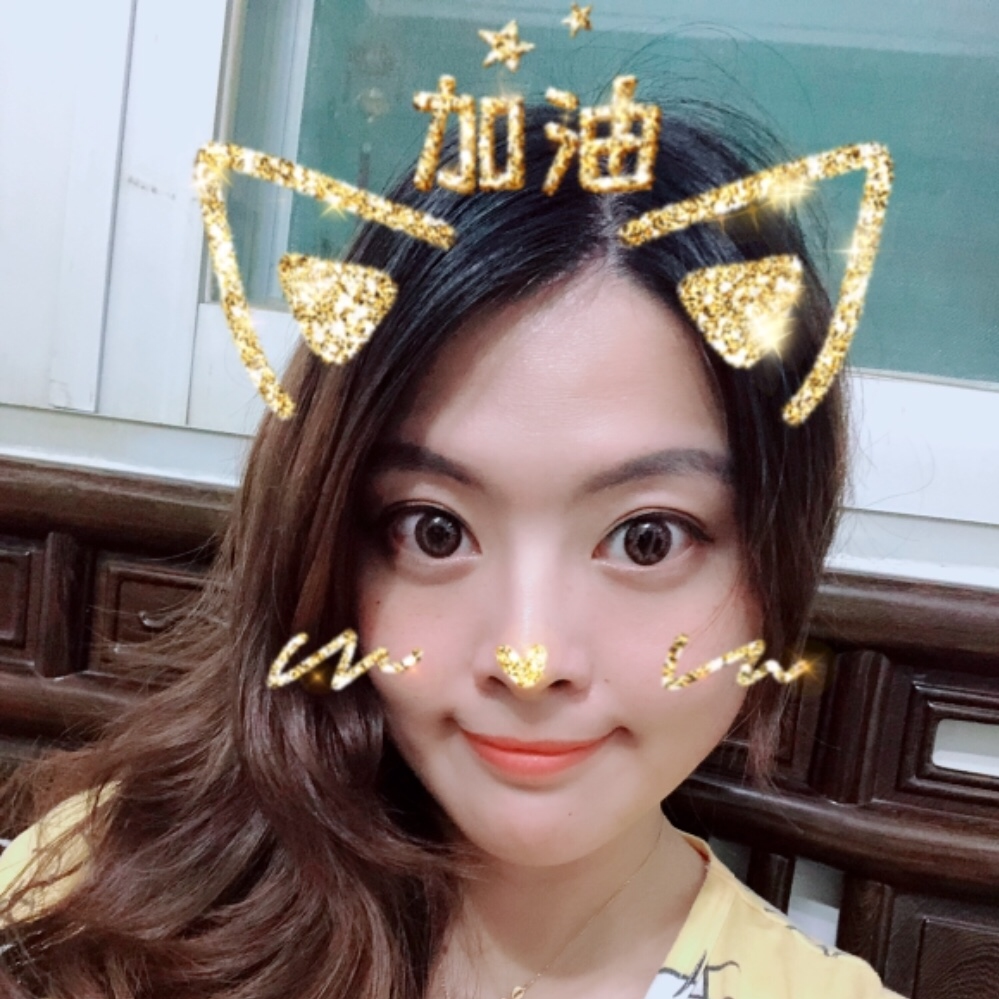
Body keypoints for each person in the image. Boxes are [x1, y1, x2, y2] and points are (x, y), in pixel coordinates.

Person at [0, 102, 902, 999]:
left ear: (774, 562)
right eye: (434, 530)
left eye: (646, 538)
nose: (528, 658)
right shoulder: (103, 883)